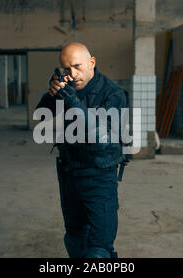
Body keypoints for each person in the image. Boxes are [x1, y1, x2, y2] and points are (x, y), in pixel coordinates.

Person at [35, 42, 128, 258]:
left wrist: (73, 102)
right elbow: (40, 116)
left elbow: (102, 139)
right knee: (74, 239)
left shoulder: (113, 94)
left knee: (99, 250)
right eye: (66, 69)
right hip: (69, 175)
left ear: (92, 62)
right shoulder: (66, 89)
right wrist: (51, 96)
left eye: (77, 66)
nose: (73, 74)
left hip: (99, 176)